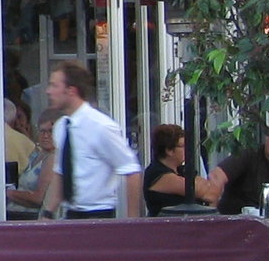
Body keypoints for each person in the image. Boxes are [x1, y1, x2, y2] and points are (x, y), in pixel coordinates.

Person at [42, 58, 140, 218]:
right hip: (70, 214)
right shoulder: (61, 126)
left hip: (98, 214)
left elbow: (131, 170)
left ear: (71, 90)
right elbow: (60, 173)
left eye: (54, 85)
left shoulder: (100, 126)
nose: (48, 91)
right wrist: (48, 213)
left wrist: (132, 220)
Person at [142, 126, 197, 215]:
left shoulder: (182, 170)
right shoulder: (157, 173)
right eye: (183, 146)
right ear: (169, 150)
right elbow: (203, 191)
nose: (187, 150)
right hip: (165, 223)